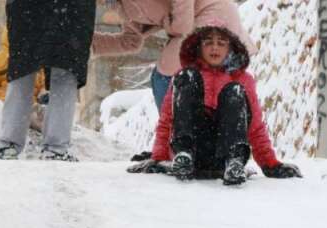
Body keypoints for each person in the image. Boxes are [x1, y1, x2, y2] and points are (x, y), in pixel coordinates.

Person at [127, 21, 302, 186]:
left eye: (221, 42)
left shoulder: (243, 79)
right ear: (199, 47)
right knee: (187, 75)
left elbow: (255, 127)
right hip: (193, 151)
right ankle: (184, 154)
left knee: (234, 90)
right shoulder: (184, 77)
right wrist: (158, 158)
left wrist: (270, 163)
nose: (214, 47)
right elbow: (167, 120)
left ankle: (233, 161)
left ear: (231, 47)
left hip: (223, 153)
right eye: (208, 42)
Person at [92, 0, 255, 112]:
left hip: (213, 12)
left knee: (164, 75)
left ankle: (178, 138)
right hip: (193, 24)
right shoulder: (122, 6)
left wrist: (175, 26)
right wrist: (87, 43)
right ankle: (181, 138)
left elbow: (182, 26)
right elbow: (130, 41)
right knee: (167, 77)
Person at [0, 0, 97, 161]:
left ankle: (9, 145)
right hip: (71, 11)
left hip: (28, 9)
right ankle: (55, 148)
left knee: (23, 71)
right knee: (64, 73)